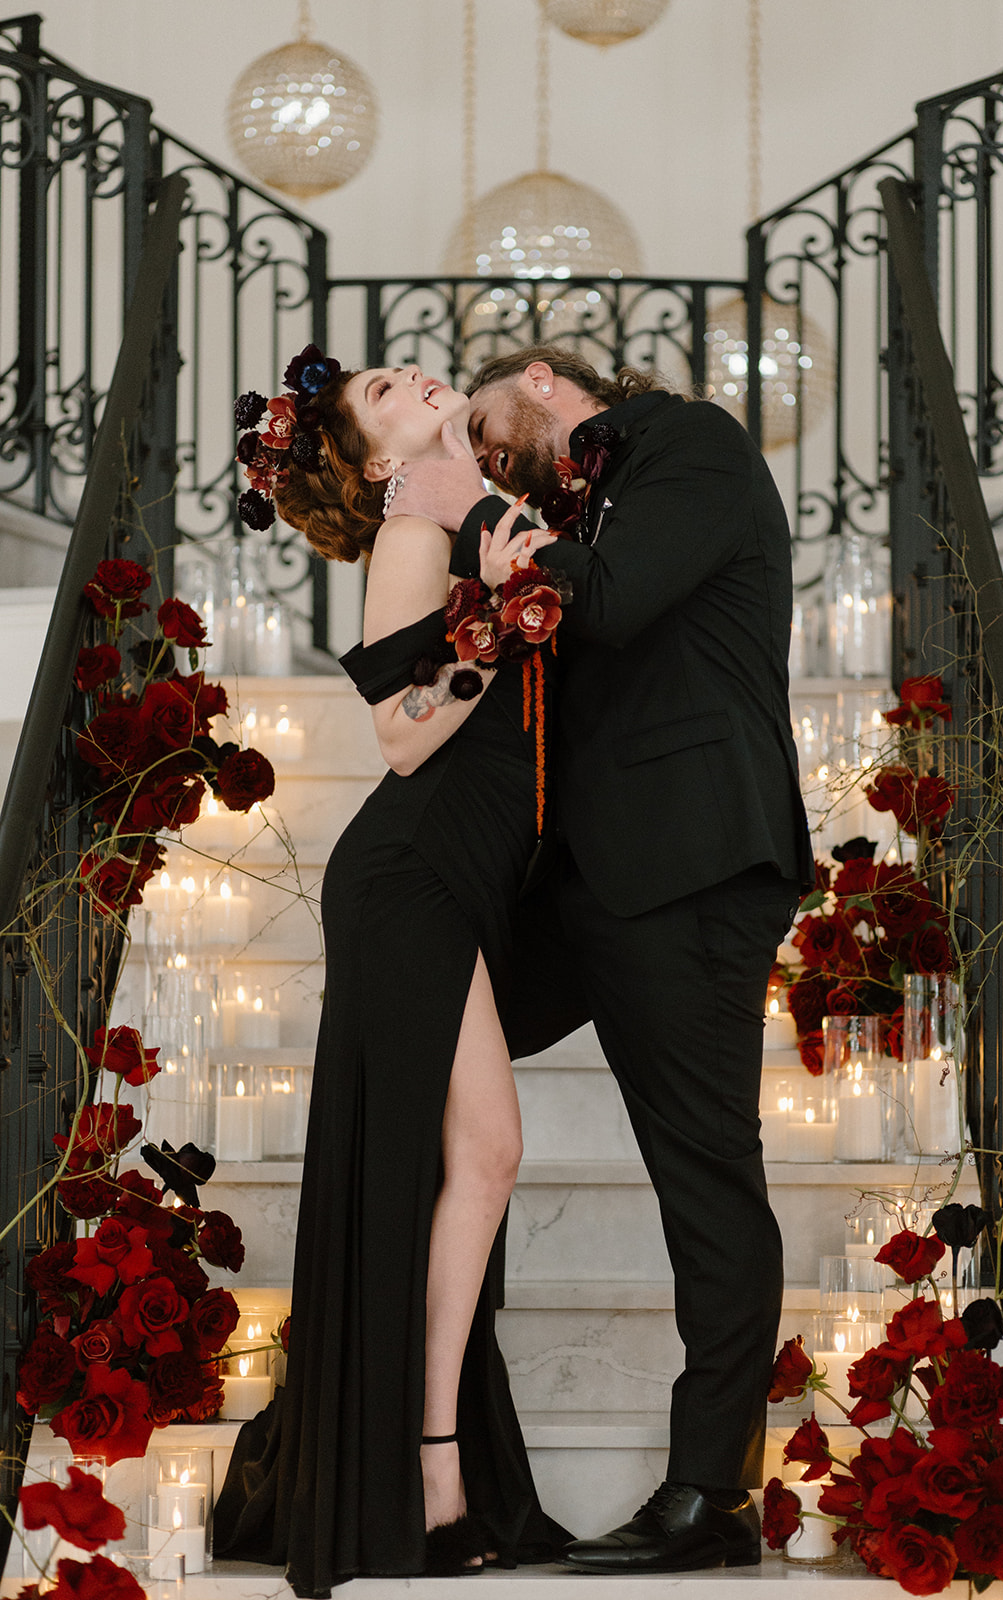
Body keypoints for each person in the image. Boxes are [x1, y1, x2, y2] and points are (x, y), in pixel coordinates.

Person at [382, 346, 815, 1575]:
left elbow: (608, 600)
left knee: (702, 1174)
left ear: (539, 376)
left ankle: (711, 1491)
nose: (484, 447)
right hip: (578, 881)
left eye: (485, 424)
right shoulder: (570, 504)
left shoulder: (690, 443)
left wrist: (467, 498)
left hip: (686, 870)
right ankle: (426, 1439)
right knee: (417, 1076)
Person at [211, 347, 569, 1595]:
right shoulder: (415, 524)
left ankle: (431, 1452)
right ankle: (427, 1464)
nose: (409, 376)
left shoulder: (481, 508)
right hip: (408, 872)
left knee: (475, 1161)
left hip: (456, 874)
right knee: (485, 1154)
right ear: (372, 459)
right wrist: (494, 627)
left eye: (402, 369)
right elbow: (396, 737)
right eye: (379, 392)